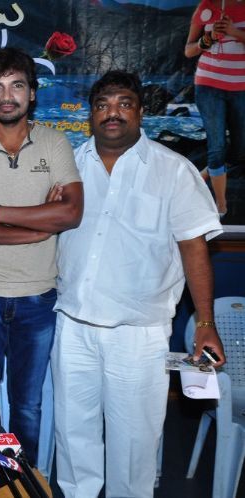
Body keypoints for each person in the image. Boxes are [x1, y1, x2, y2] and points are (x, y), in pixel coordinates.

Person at [53, 70, 227, 497]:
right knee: (73, 441)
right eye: (102, 105)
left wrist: (205, 323)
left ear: (141, 112)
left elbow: (194, 249)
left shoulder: (174, 170)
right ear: (90, 115)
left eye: (123, 104)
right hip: (72, 326)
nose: (112, 113)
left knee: (134, 449)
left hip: (138, 334)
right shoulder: (68, 166)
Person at [0, 47, 83, 462]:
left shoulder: (55, 143)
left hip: (38, 297)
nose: (7, 96)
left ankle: (22, 483)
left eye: (16, 86)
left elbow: (71, 213)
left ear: (32, 93)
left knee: (28, 405)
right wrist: (36, 228)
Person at [184, 0, 245, 217]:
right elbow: (189, 50)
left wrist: (233, 32)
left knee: (240, 148)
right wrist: (208, 39)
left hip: (241, 87)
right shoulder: (207, 7)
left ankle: (202, 176)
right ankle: (220, 205)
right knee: (217, 146)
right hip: (208, 84)